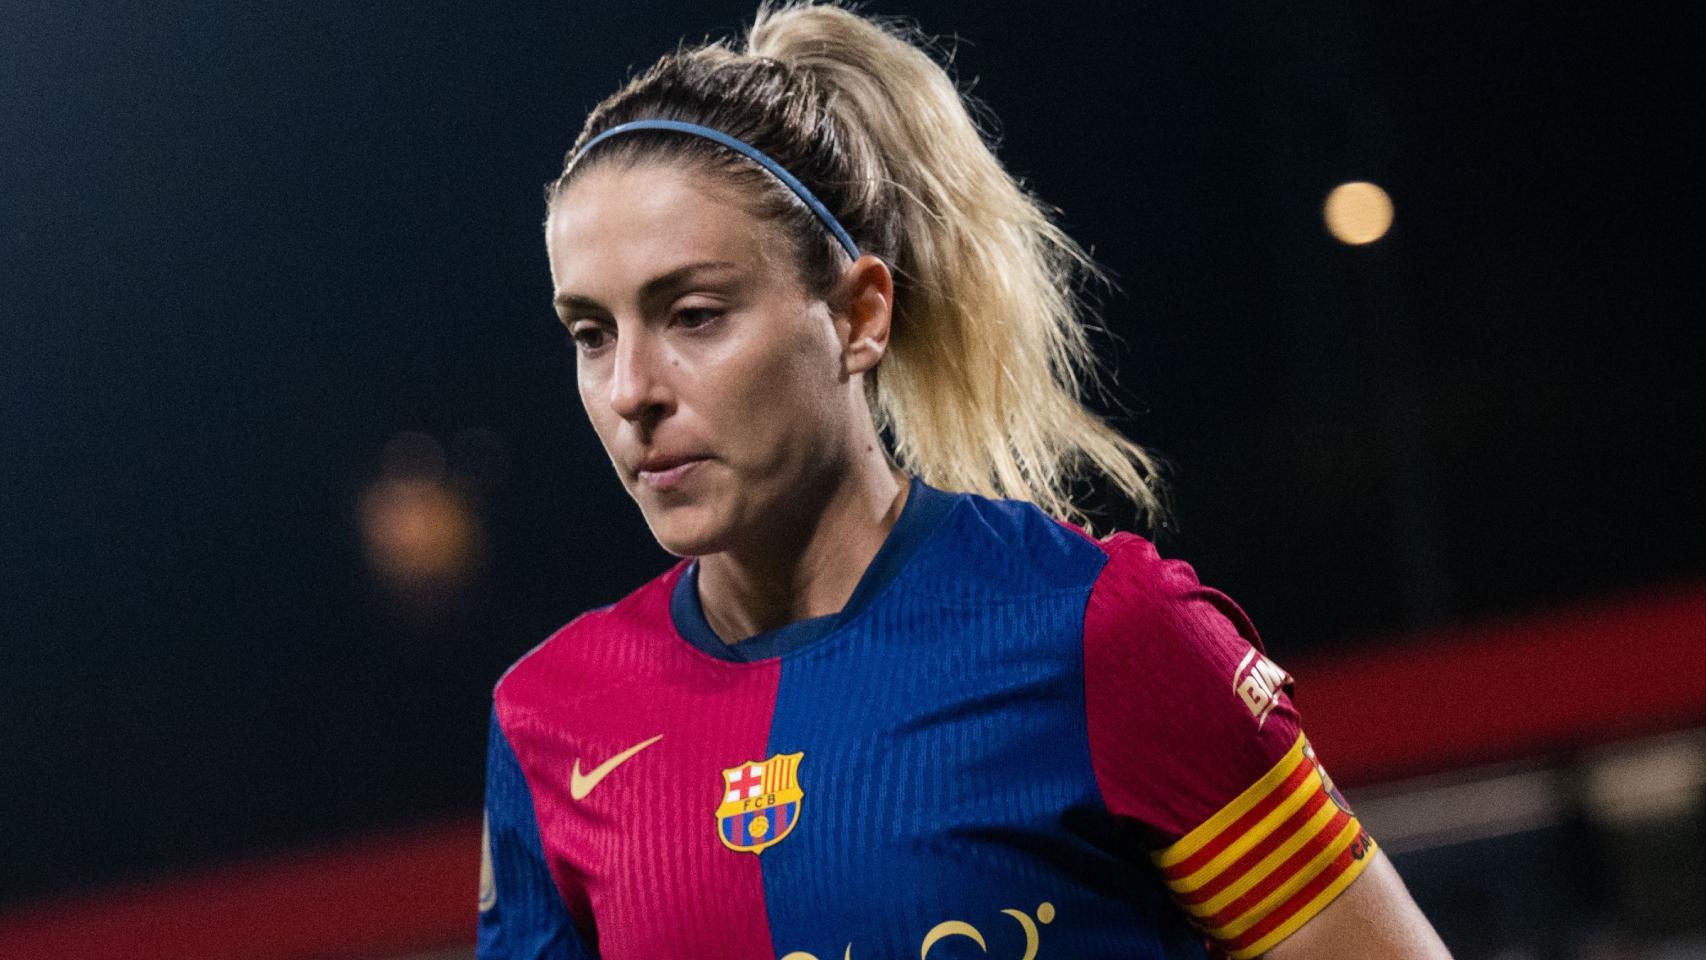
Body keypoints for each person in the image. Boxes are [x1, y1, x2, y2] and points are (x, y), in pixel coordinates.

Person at [478, 4, 1451, 958]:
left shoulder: (1102, 634)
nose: (629, 390)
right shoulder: (548, 724)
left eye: (691, 314)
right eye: (590, 334)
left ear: (858, 315)